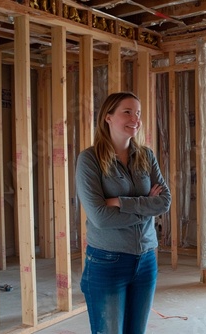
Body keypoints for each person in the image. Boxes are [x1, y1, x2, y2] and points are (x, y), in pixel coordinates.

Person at [75, 92, 171, 334]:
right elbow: (99, 216)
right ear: (108, 117)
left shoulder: (146, 156)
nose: (135, 119)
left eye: (138, 113)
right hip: (107, 261)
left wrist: (119, 201)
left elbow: (164, 202)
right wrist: (146, 208)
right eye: (127, 112)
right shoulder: (90, 160)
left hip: (146, 259)